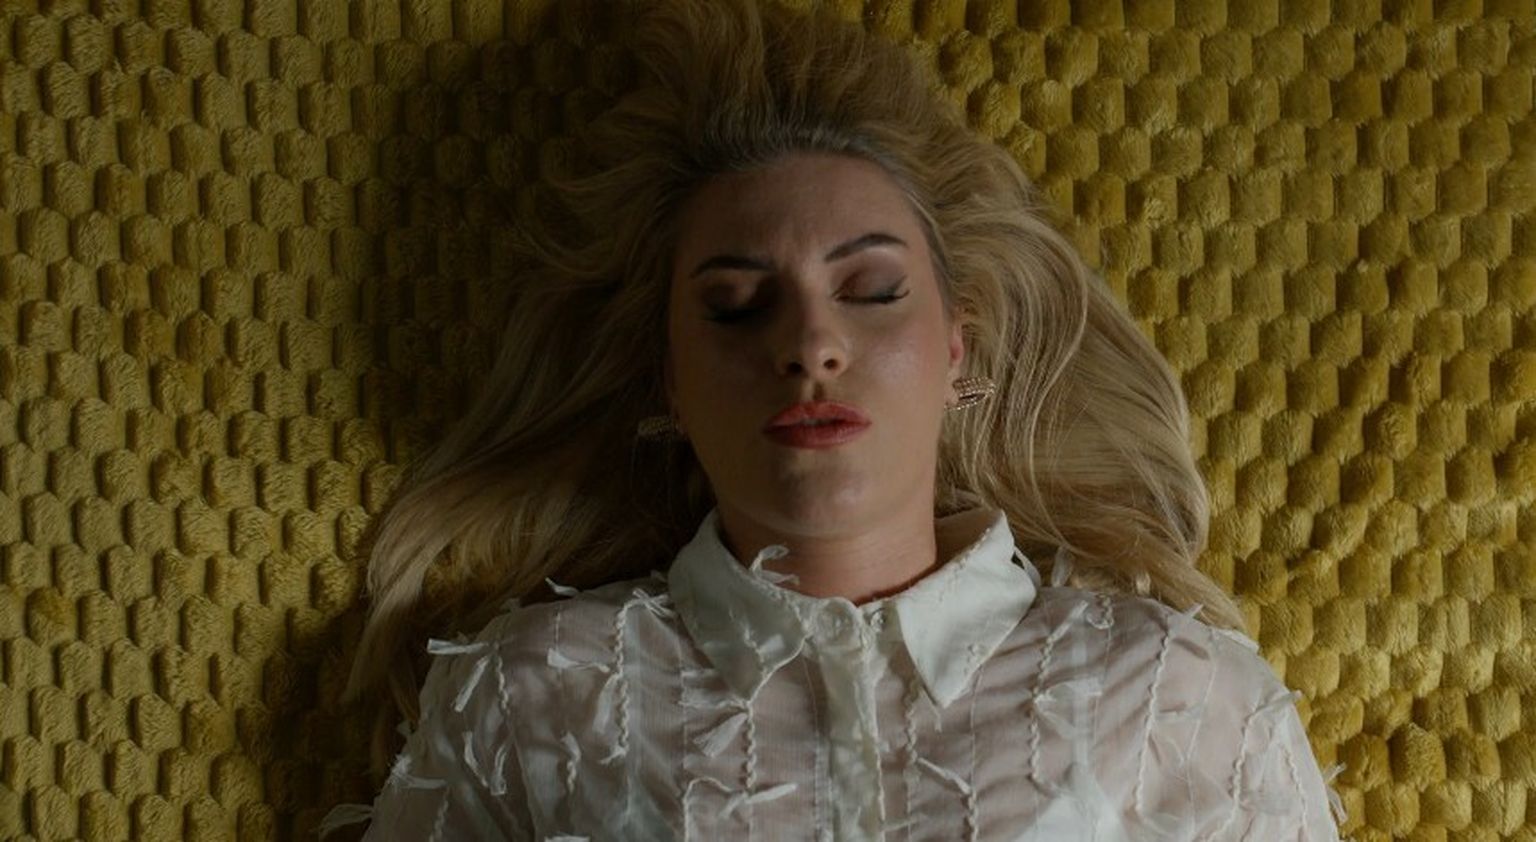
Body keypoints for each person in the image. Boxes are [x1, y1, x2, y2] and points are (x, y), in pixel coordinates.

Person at [320, 0, 1348, 838]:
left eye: (870, 290)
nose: (810, 343)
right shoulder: (535, 698)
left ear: (957, 349)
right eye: (736, 305)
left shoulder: (1178, 697)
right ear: (670, 383)